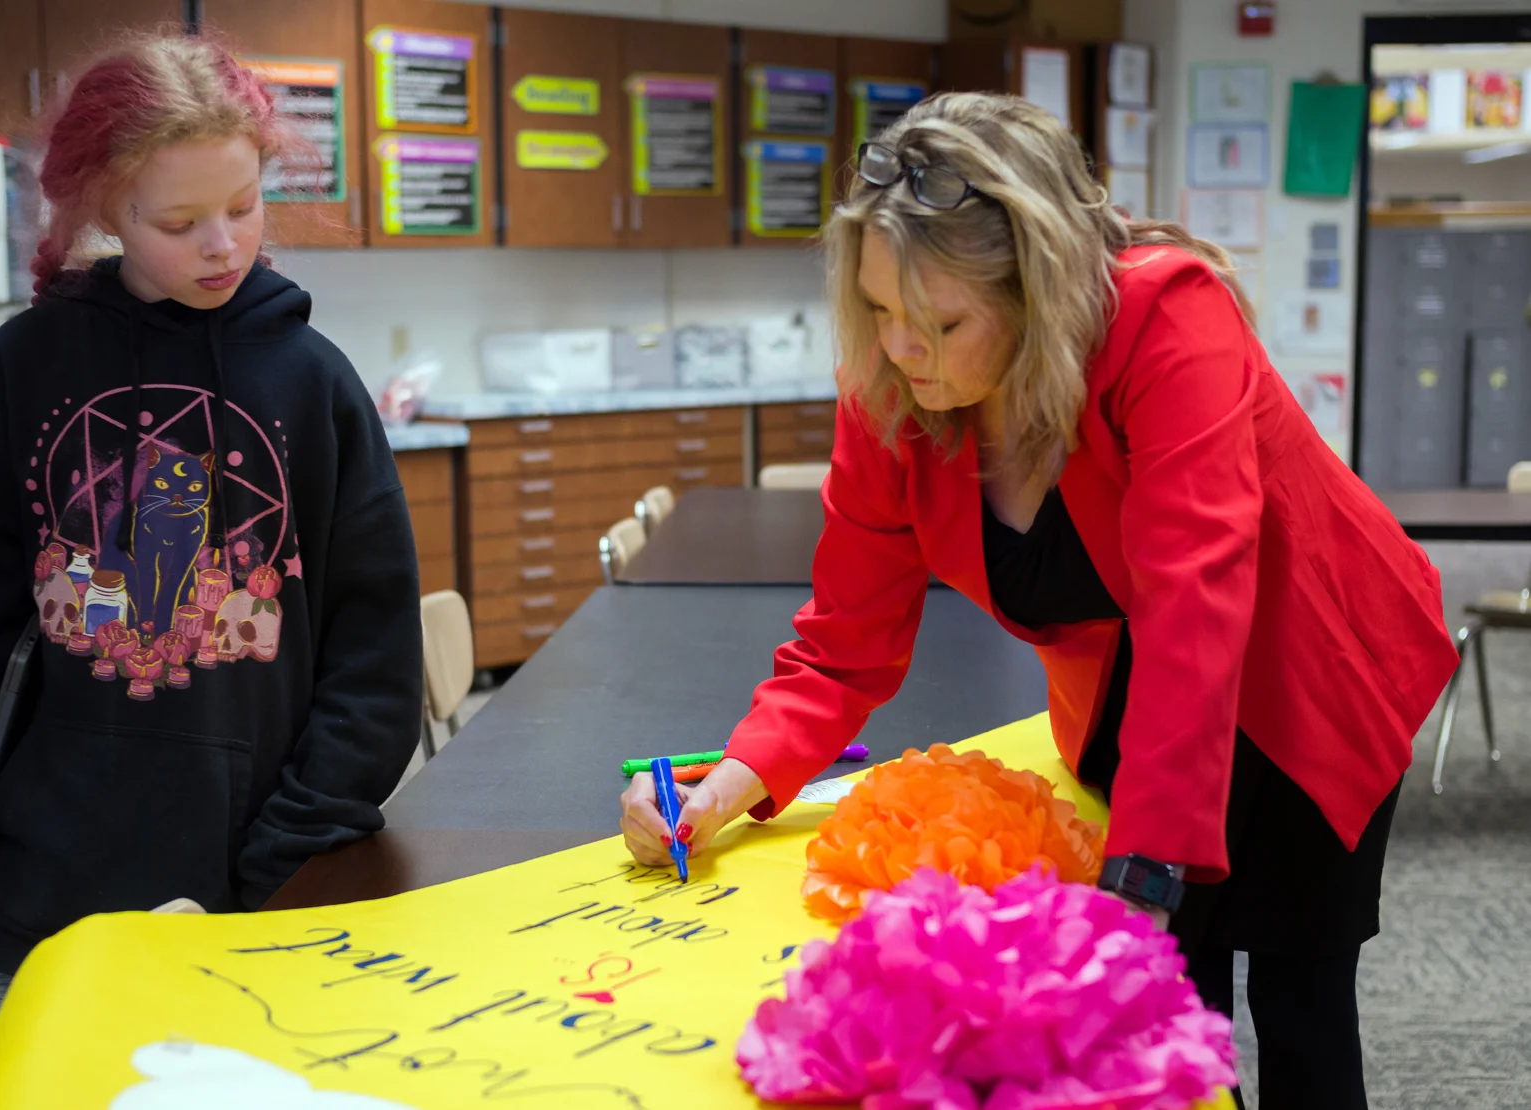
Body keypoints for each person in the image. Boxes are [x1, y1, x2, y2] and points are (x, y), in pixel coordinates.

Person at [619, 93, 1458, 1107]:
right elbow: (844, 640)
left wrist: (1143, 886)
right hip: (1135, 695)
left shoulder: (1165, 319)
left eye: (939, 321)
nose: (900, 348)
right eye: (879, 312)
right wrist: (730, 783)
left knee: (1295, 992)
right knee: (1151, 1022)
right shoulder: (891, 388)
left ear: (1037, 290)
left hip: (1301, 671)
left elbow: (1195, 607)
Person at [0, 32, 422, 1006]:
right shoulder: (24, 369)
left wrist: (290, 847)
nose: (222, 245)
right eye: (180, 220)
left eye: (245, 208)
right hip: (64, 878)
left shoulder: (314, 381)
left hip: (272, 869)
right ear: (108, 207)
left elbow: (373, 654)